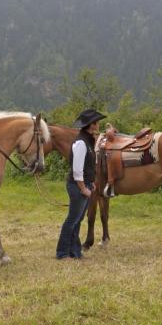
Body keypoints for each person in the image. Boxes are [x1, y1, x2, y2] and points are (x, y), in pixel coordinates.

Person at [56, 109, 106, 259]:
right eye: (96, 122)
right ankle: (62, 252)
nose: (98, 124)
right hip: (77, 186)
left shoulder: (87, 141)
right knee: (72, 220)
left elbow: (87, 166)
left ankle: (74, 251)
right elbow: (77, 170)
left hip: (85, 185)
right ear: (91, 125)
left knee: (77, 219)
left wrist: (91, 183)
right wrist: (83, 188)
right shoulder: (81, 143)